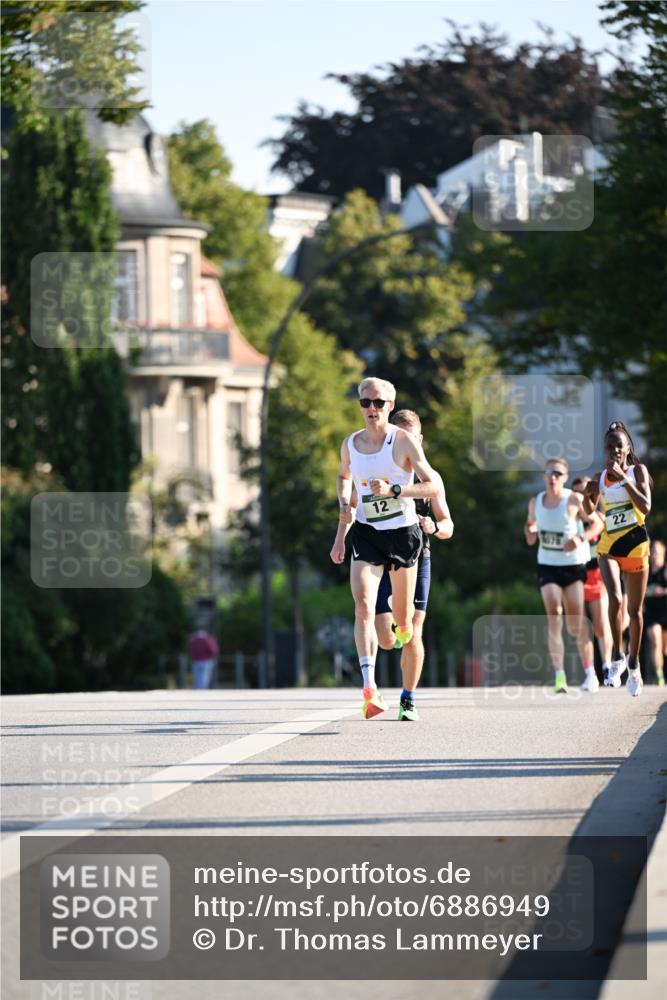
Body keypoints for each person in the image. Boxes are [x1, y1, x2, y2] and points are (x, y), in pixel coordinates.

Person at [332, 409, 453, 721]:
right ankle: (373, 686)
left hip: (414, 554)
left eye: (411, 437)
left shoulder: (429, 477)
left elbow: (449, 524)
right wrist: (340, 538)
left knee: (412, 629)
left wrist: (435, 528)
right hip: (375, 549)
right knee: (386, 638)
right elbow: (353, 507)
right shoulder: (374, 467)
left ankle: (408, 698)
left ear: (418, 440)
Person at [583, 420, 652, 696]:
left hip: (636, 547)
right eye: (609, 448)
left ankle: (634, 663)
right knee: (615, 598)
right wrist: (589, 495)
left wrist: (623, 478)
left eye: (618, 447)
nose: (614, 452)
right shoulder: (600, 477)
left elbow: (645, 506)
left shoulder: (638, 471)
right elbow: (591, 508)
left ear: (627, 449)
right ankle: (616, 655)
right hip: (609, 547)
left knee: (634, 612)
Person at [525, 458, 603, 693]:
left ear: (565, 477)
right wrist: (530, 531)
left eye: (558, 473)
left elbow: (597, 524)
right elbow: (530, 528)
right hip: (547, 565)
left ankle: (590, 672)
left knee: (576, 625)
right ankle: (560, 676)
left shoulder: (574, 499)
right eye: (549, 473)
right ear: (543, 476)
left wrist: (580, 538)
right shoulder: (535, 502)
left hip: (572, 566)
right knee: (553, 614)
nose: (552, 477)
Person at [571, 475, 613, 683]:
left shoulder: (600, 517)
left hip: (598, 574)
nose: (580, 495)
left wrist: (581, 538)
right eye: (576, 492)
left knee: (600, 623)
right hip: (576, 573)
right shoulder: (568, 518)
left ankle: (606, 666)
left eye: (584, 491)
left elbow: (601, 531)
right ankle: (590, 672)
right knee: (580, 626)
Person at [645, 540, 667, 686]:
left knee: (665, 649)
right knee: (655, 641)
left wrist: (663, 591)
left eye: (657, 553)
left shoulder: (665, 570)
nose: (654, 555)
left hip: (665, 613)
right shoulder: (645, 571)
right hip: (652, 614)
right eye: (652, 552)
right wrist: (649, 591)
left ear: (663, 555)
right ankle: (659, 675)